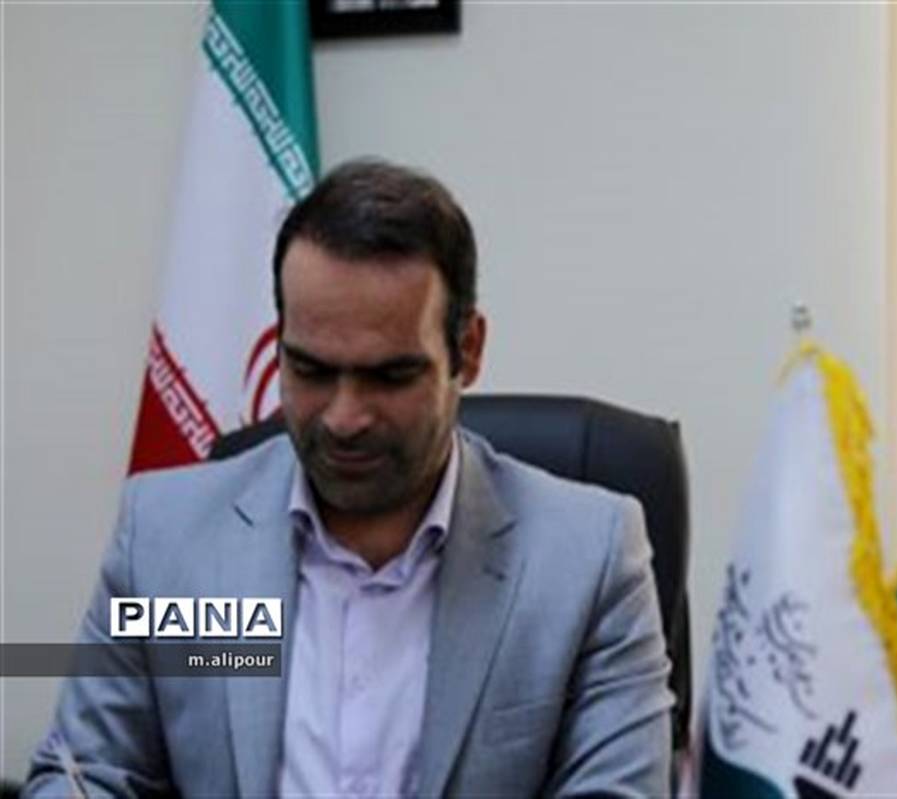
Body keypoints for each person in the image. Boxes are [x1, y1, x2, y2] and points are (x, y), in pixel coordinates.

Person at [25, 159, 673, 797]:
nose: (343, 418)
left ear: (468, 351)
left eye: (389, 376)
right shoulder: (168, 539)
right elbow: (87, 771)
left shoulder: (585, 563)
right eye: (311, 370)